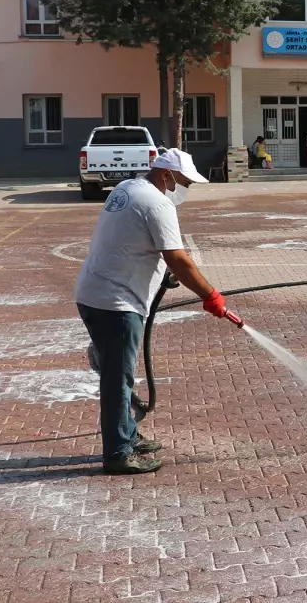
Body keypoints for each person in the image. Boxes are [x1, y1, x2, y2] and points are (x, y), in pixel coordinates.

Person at [74, 148, 237, 475]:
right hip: (116, 303)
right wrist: (210, 295)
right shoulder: (158, 202)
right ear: (166, 174)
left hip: (94, 293)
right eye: (184, 181)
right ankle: (118, 453)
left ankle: (128, 436)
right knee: (117, 380)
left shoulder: (128, 188)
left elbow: (130, 239)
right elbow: (178, 258)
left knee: (119, 374)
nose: (186, 188)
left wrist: (161, 272)